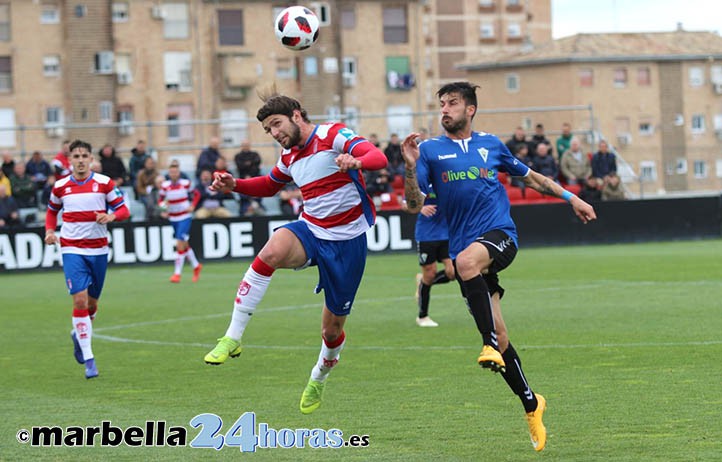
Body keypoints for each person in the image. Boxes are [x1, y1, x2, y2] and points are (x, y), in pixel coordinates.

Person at [401, 81, 596, 452]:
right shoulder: (428, 151)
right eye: (441, 103)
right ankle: (531, 402)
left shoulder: (491, 145)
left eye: (452, 103)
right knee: (501, 332)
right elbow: (413, 204)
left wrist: (572, 198)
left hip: (499, 235)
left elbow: (533, 179)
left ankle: (487, 344)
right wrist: (410, 169)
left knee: (465, 264)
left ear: (470, 109)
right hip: (465, 250)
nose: (444, 109)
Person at [207, 92, 387, 415]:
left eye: (276, 124)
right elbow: (269, 184)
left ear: (296, 115)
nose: (274, 134)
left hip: (347, 243)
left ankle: (319, 375)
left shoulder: (332, 135)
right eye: (268, 130)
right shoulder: (289, 156)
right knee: (271, 250)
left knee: (331, 331)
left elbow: (378, 157)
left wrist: (356, 161)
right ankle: (232, 336)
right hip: (311, 230)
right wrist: (235, 185)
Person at [44, 140, 130, 379]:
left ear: (91, 159)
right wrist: (50, 232)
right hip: (71, 249)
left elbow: (124, 210)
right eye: (76, 156)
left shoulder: (104, 183)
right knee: (80, 301)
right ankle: (89, 360)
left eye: (84, 156)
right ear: (69, 159)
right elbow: (52, 212)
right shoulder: (60, 186)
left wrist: (110, 216)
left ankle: (78, 334)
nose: (80, 160)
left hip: (99, 250)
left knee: (91, 305)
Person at [404, 186, 453, 327]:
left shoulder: (447, 177)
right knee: (430, 274)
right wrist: (419, 208)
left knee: (453, 272)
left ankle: (422, 283)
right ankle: (423, 316)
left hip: (447, 233)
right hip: (426, 235)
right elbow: (404, 204)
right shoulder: (419, 180)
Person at [159, 161, 202, 283]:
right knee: (184, 244)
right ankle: (196, 266)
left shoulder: (186, 183)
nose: (173, 174)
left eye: (175, 172)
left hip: (184, 216)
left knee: (179, 243)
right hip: (173, 217)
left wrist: (193, 205)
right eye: (171, 172)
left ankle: (177, 274)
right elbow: (161, 200)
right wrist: (163, 208)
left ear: (179, 173)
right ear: (169, 173)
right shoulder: (165, 185)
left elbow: (197, 194)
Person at [234, 141, 265, 215]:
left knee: (262, 213)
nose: (245, 147)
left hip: (257, 203)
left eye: (247, 145)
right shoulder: (238, 156)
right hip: (245, 205)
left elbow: (256, 164)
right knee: (246, 213)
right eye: (244, 145)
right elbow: (240, 166)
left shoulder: (255, 154)